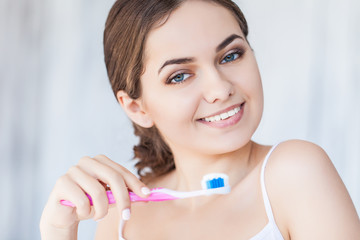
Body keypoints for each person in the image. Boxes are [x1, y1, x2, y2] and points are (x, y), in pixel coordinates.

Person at [40, 0, 360, 239]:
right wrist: (57, 232)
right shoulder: (121, 215)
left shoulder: (294, 172)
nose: (220, 89)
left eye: (231, 55)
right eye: (180, 76)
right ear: (137, 108)